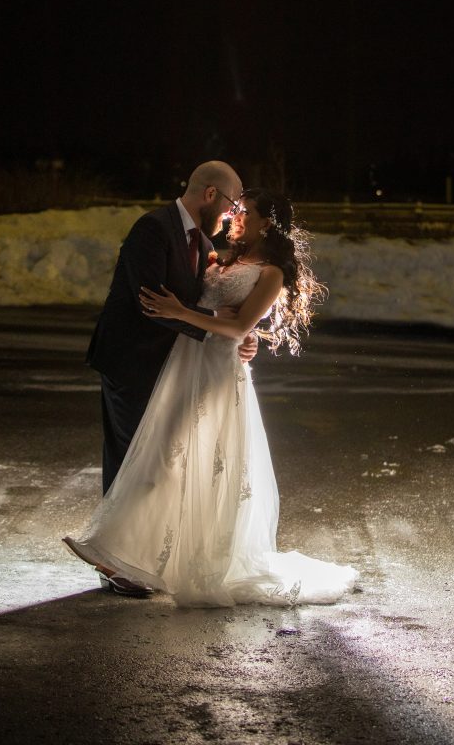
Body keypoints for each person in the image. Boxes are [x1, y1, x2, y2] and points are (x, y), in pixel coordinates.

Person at [65, 187, 358, 606]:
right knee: (165, 455)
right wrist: (207, 319)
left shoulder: (271, 272)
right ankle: (131, 553)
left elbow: (239, 325)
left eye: (245, 212)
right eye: (235, 209)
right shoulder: (224, 257)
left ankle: (125, 552)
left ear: (267, 223)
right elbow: (223, 313)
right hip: (186, 362)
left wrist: (183, 313)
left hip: (218, 371)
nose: (236, 217)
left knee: (185, 457)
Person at [85, 160, 257, 595]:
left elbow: (191, 303)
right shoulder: (154, 229)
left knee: (158, 462)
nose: (233, 215)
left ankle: (137, 557)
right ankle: (115, 564)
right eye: (233, 204)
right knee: (130, 458)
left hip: (169, 367)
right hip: (131, 362)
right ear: (211, 194)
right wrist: (217, 323)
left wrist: (235, 339)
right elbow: (152, 303)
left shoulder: (200, 241)